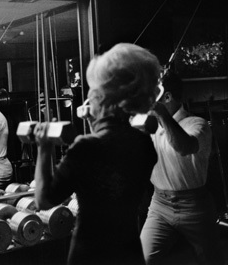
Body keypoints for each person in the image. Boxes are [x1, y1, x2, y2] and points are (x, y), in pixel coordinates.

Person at [33, 43, 161, 265]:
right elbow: (113, 150)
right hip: (129, 255)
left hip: (90, 256)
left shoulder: (86, 147)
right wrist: (97, 122)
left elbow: (44, 200)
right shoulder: (144, 144)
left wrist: (43, 148)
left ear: (103, 99)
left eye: (93, 93)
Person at [140, 71, 224, 265]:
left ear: (166, 97)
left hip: (195, 206)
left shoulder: (197, 124)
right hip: (159, 205)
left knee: (211, 261)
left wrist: (161, 113)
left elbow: (184, 147)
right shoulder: (149, 126)